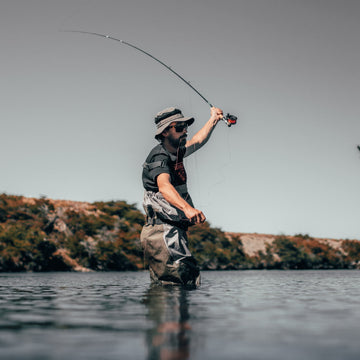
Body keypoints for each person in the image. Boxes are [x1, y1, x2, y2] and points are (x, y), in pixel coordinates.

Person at [141, 106, 223, 286]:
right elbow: (164, 186)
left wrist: (213, 120)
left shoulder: (175, 153)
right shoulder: (159, 157)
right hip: (162, 231)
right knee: (176, 286)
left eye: (185, 127)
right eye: (179, 128)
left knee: (181, 285)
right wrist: (187, 208)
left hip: (172, 230)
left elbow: (197, 140)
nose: (184, 131)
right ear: (164, 133)